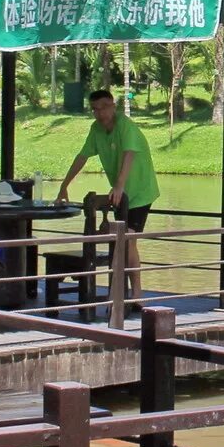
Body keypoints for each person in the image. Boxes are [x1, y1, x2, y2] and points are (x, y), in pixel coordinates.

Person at [57, 86, 158, 310]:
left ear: (113, 106)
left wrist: (119, 185)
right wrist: (64, 186)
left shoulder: (126, 126)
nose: (100, 113)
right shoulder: (96, 129)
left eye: (104, 107)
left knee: (128, 239)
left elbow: (129, 154)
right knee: (125, 240)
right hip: (120, 194)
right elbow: (82, 156)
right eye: (95, 109)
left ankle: (133, 294)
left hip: (140, 190)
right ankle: (127, 293)